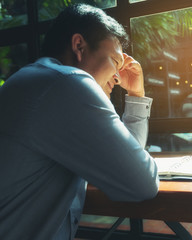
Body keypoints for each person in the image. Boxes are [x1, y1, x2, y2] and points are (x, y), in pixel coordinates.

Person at [0, 4, 159, 240]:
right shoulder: (67, 82)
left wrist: (136, 96)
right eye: (115, 62)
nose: (118, 76)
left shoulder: (33, 79)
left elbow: (125, 161)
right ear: (79, 46)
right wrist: (136, 97)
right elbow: (142, 182)